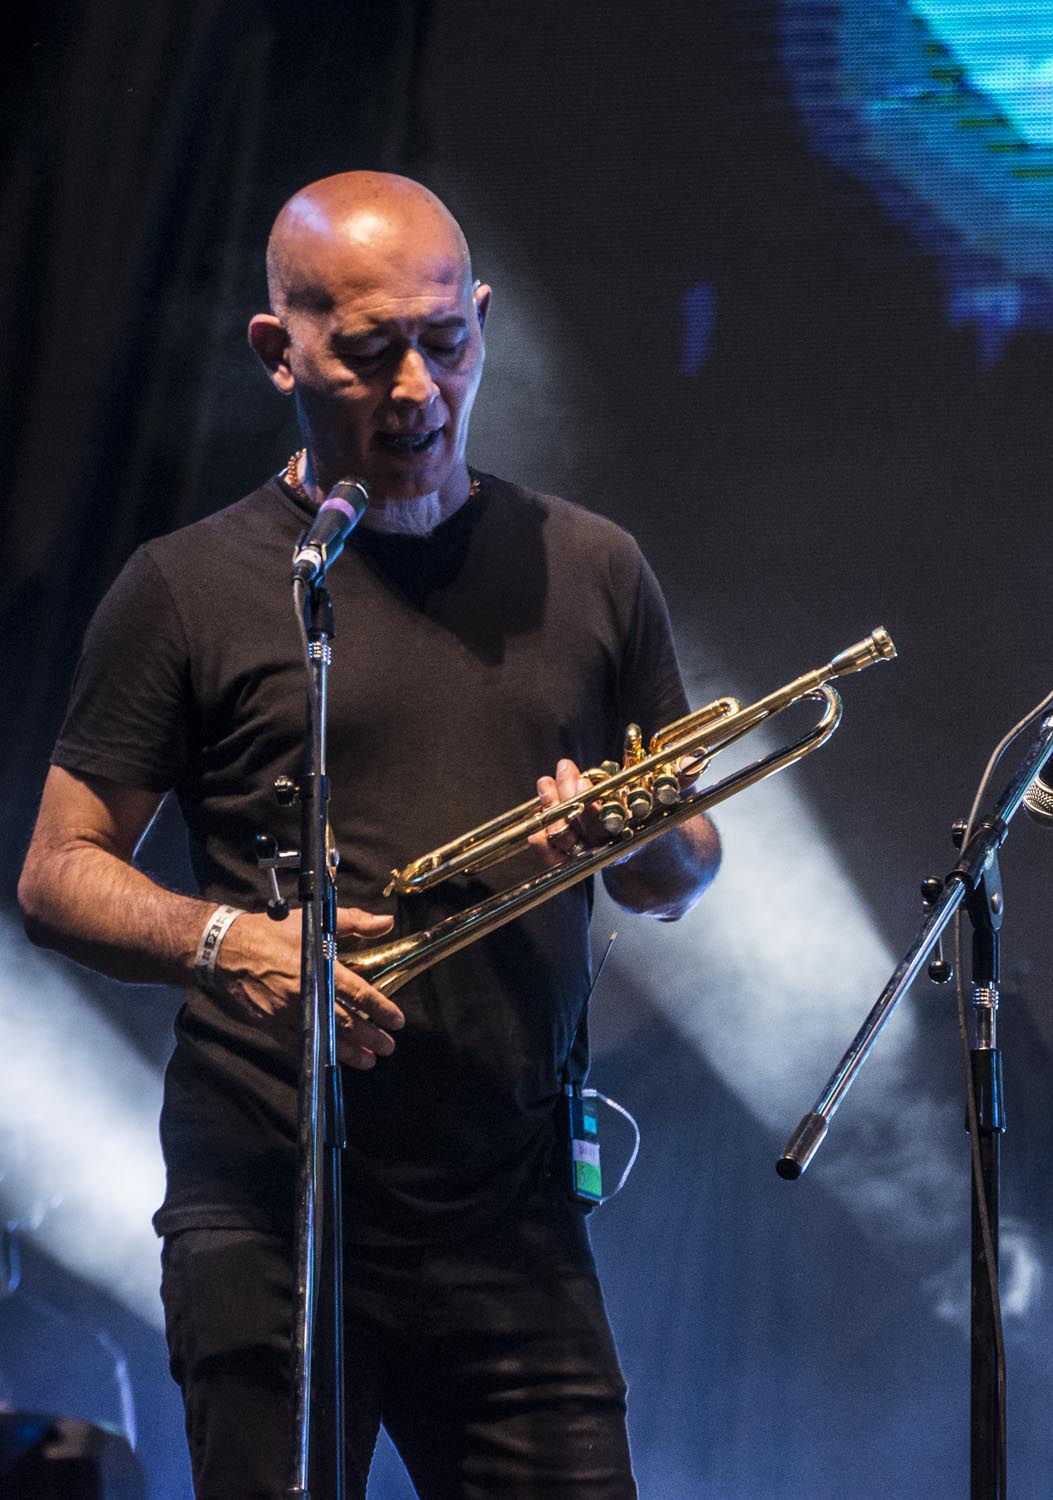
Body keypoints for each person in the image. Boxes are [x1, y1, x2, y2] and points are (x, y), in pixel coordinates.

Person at [17, 170, 720, 1498]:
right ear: (276, 349)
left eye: (446, 342)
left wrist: (635, 845)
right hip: (267, 1201)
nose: (416, 391)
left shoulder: (595, 569)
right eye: (368, 352)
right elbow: (58, 873)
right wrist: (229, 944)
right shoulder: (185, 586)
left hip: (512, 1210)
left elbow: (680, 873)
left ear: (483, 322)